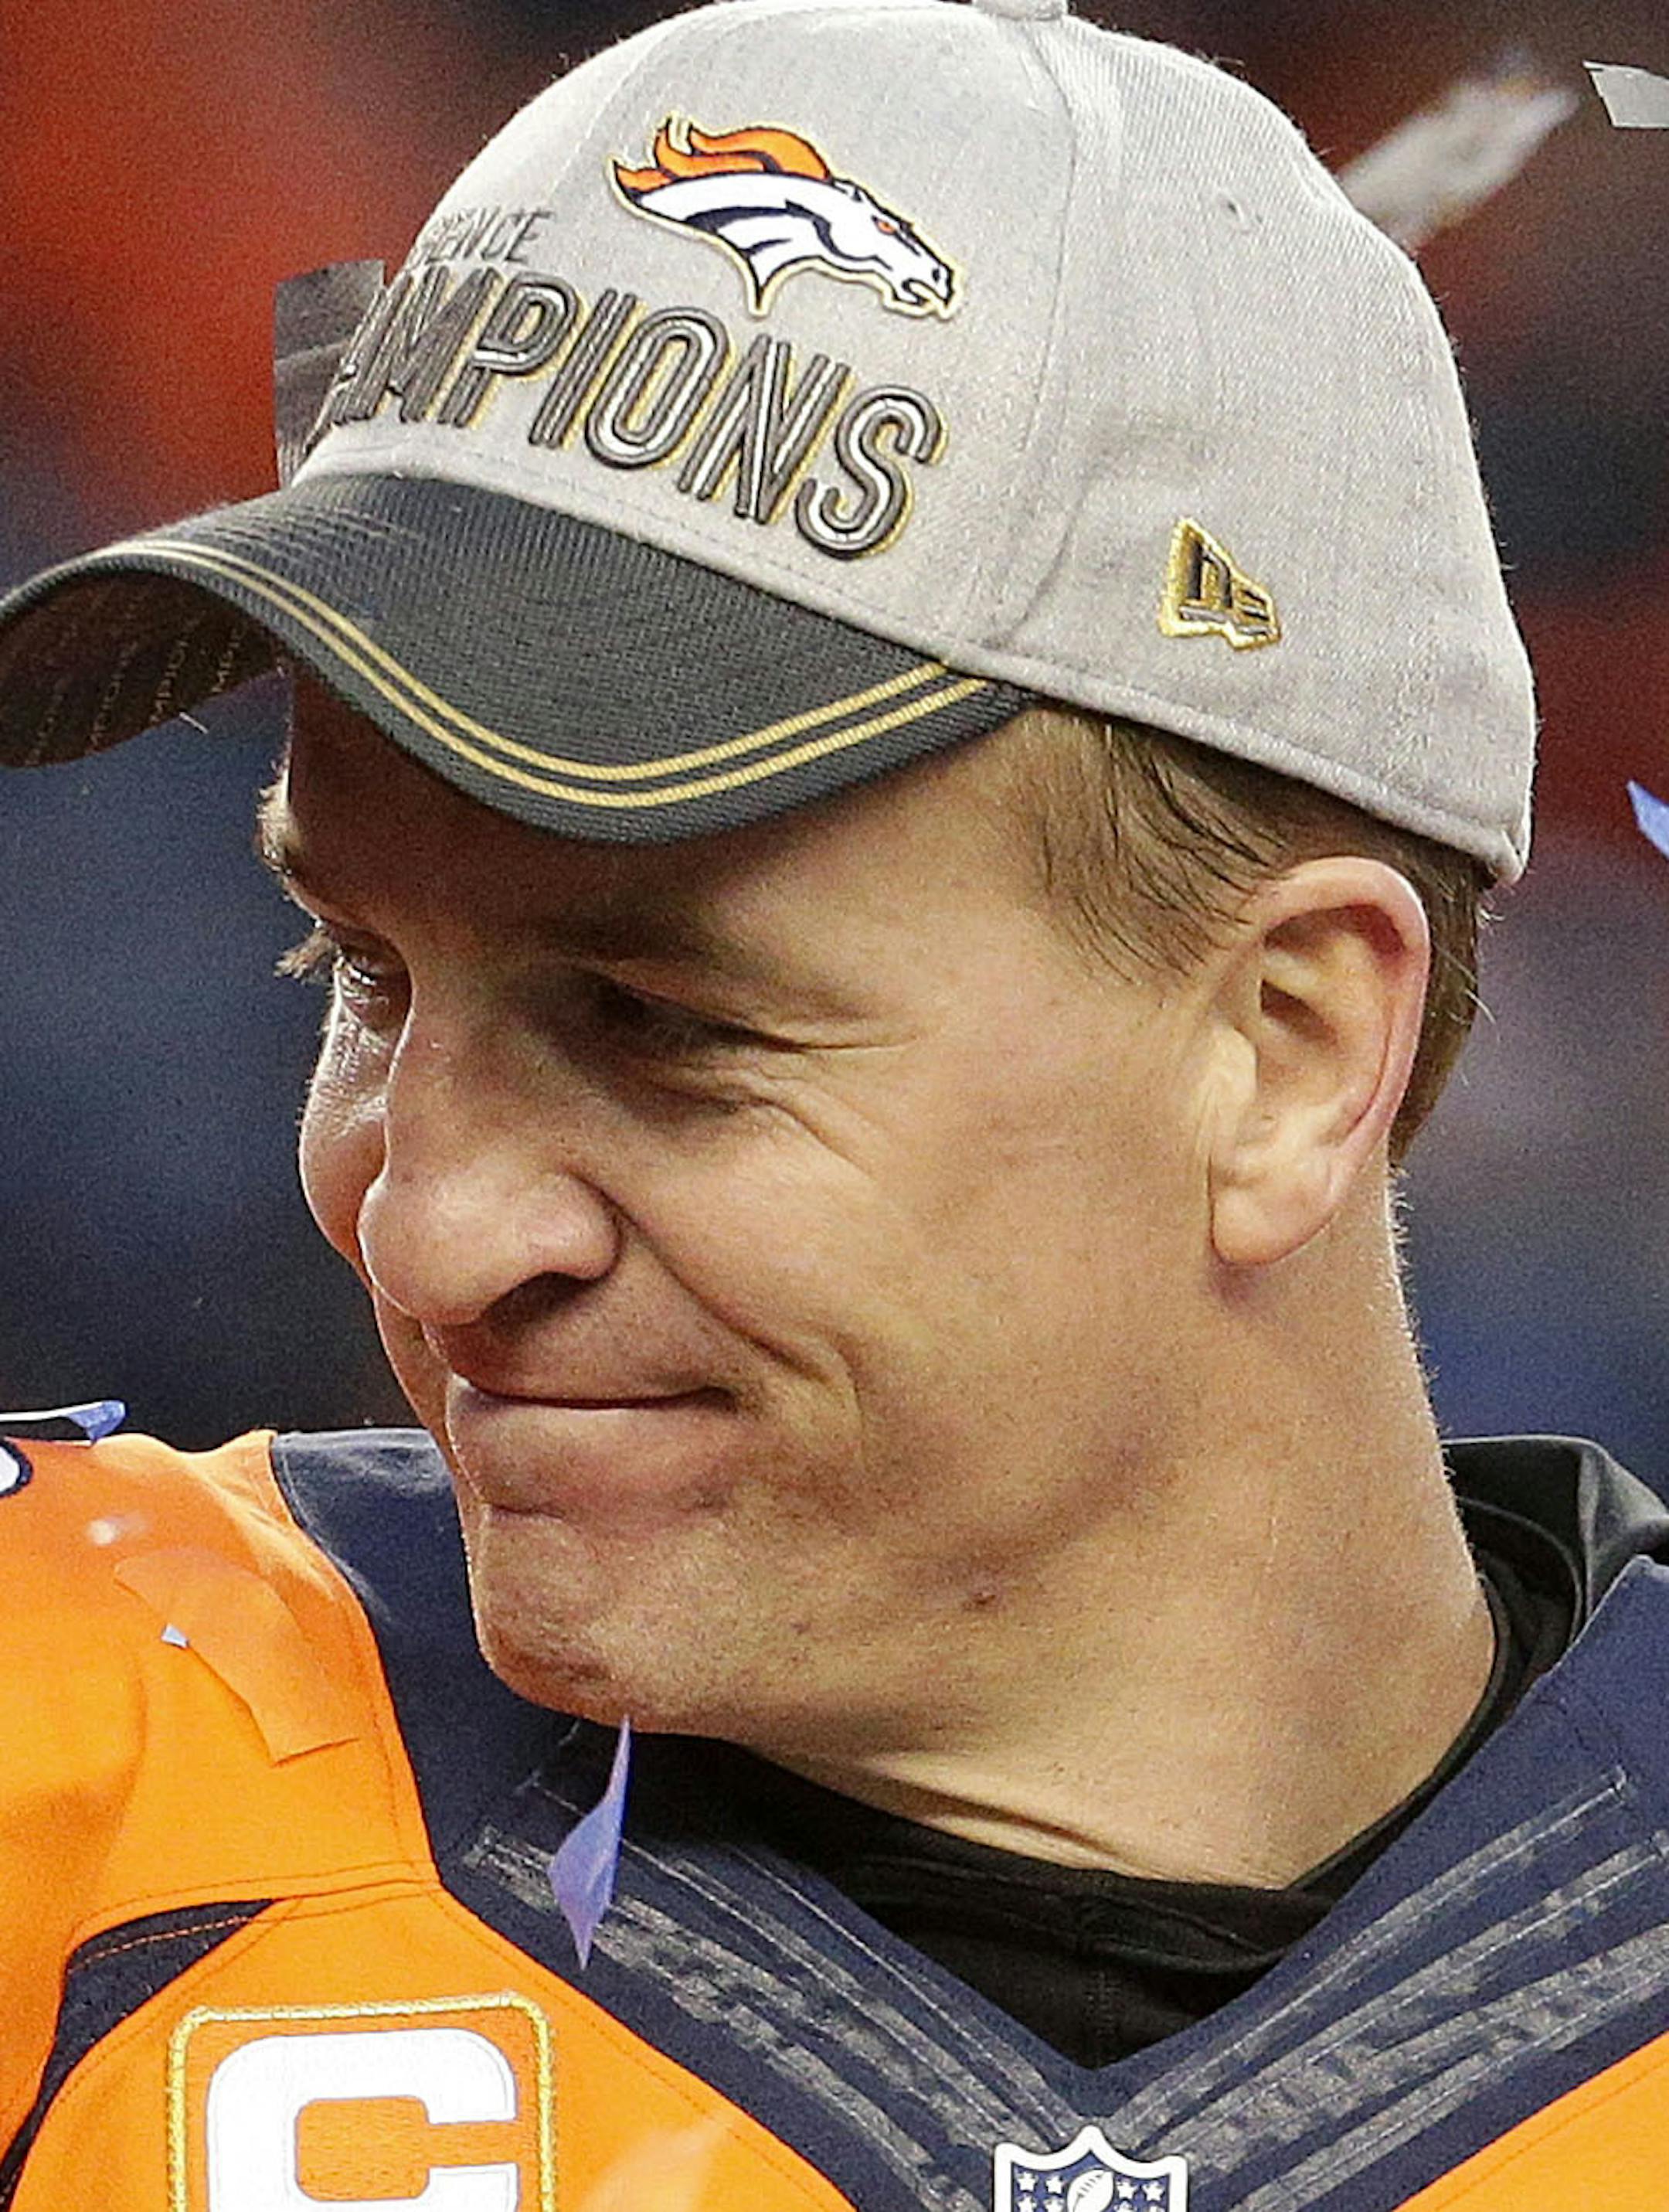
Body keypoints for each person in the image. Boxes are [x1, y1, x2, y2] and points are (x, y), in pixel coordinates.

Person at [1, 1, 1664, 2205]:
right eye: (369, 976)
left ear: (1284, 1053)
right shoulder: (77, 1728)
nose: (422, 1228)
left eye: (667, 1024)